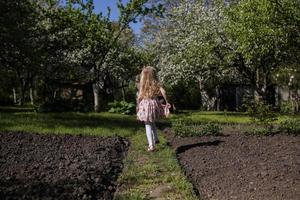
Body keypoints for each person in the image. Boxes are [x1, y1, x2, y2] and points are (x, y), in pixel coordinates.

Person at [136, 66, 170, 152]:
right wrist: (166, 101)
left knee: (147, 124)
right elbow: (163, 91)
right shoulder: (156, 83)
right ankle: (156, 138)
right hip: (154, 104)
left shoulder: (142, 85)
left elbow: (139, 96)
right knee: (152, 121)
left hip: (145, 104)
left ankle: (151, 146)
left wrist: (137, 105)